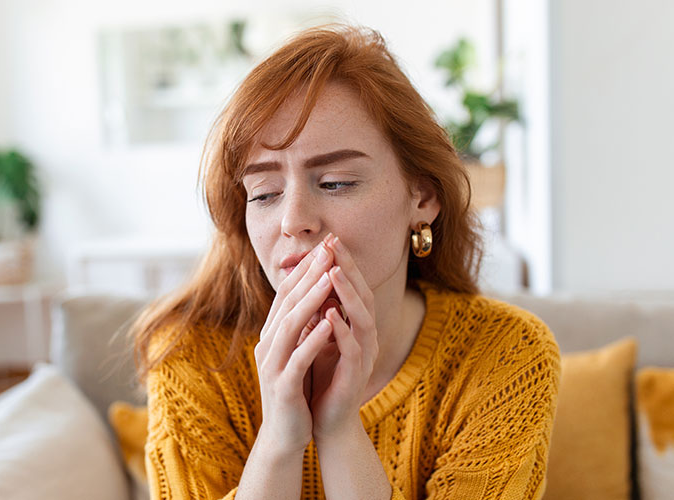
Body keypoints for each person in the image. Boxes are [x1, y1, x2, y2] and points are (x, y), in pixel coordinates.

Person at [130, 23, 561, 500]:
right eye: (265, 192)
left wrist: (340, 433)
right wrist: (278, 442)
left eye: (335, 182)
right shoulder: (190, 355)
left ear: (423, 196)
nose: (292, 221)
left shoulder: (505, 354)